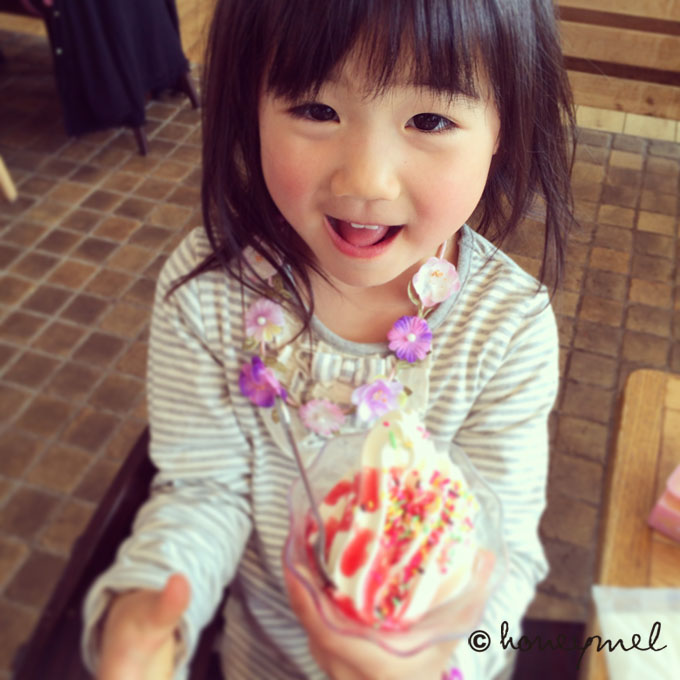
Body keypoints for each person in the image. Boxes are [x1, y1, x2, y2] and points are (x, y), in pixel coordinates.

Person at [81, 1, 576, 678]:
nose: (366, 180)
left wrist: (436, 665)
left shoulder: (507, 327)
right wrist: (148, 612)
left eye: (430, 120)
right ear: (248, 106)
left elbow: (503, 552)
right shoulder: (209, 294)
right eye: (317, 109)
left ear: (503, 127)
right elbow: (204, 494)